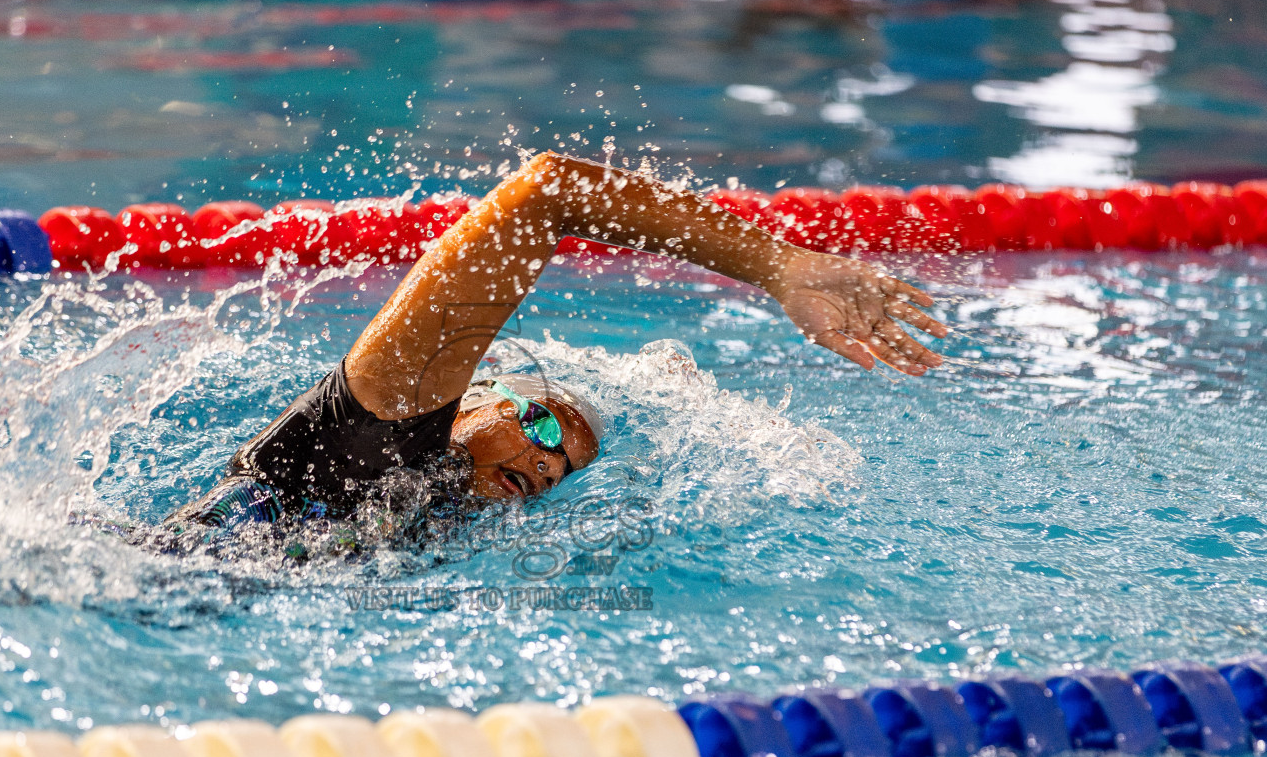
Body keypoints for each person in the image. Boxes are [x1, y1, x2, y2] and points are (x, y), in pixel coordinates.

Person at [160, 151, 947, 544]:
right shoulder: (380, 425)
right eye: (541, 430)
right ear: (476, 397)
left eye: (560, 469)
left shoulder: (437, 523)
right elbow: (549, 190)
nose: (543, 467)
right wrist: (777, 265)